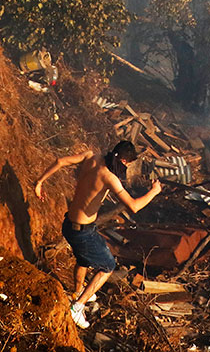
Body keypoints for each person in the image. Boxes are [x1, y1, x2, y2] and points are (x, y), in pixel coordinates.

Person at [34, 140, 162, 329]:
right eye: (127, 164)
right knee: (108, 266)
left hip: (69, 225)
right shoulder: (110, 178)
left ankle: (77, 293)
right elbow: (133, 206)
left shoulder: (90, 156)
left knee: (84, 259)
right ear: (125, 161)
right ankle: (77, 307)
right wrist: (154, 192)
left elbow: (61, 161)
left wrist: (39, 182)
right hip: (82, 233)